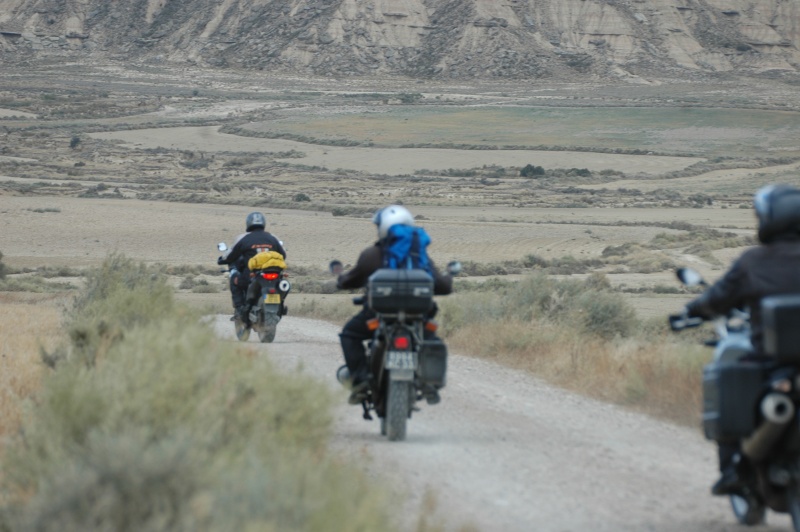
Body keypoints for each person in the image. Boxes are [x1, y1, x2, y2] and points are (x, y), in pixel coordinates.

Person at [676, 184, 800, 496]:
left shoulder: (754, 262)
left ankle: (734, 466)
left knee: (731, 374)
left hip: (772, 364)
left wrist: (693, 310)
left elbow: (717, 298)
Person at [336, 205, 454, 404]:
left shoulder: (371, 255)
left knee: (349, 334)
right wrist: (449, 277)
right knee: (432, 340)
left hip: (376, 315)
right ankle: (429, 382)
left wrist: (340, 279)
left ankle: (361, 380)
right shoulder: (419, 255)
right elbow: (442, 286)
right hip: (418, 317)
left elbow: (350, 280)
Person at [218, 212, 287, 322]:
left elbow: (231, 255)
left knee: (234, 279)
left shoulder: (244, 238)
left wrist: (222, 260)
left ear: (248, 223)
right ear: (263, 223)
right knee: (283, 284)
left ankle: (240, 309)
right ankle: (280, 305)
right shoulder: (272, 238)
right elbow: (283, 255)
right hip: (274, 274)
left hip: (250, 275)